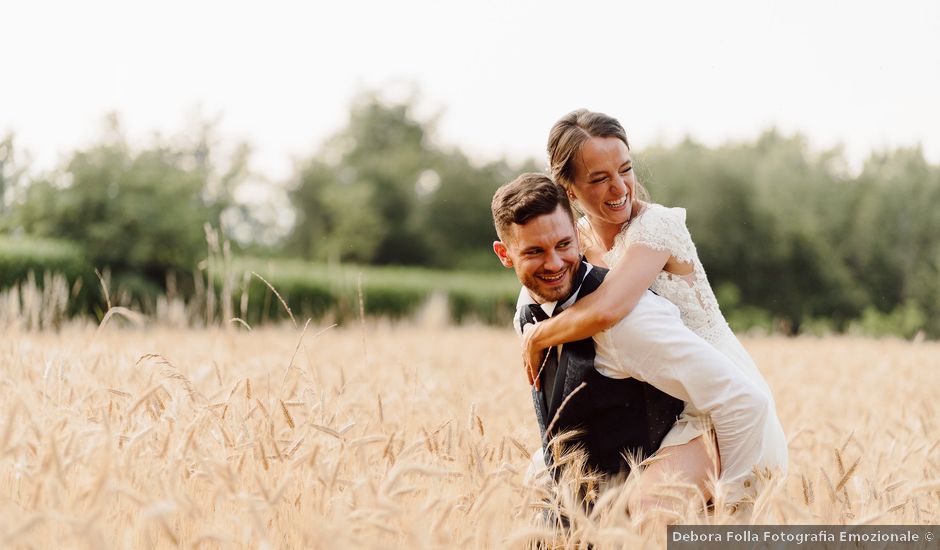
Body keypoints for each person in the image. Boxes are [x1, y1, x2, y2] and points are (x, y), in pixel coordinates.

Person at [523, 109, 788, 495]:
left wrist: (536, 338)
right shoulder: (573, 240)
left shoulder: (655, 227)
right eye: (599, 178)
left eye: (625, 169)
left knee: (656, 509)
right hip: (649, 404)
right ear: (568, 188)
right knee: (543, 486)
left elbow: (607, 308)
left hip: (710, 399)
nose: (620, 187)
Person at [491, 173, 773, 511]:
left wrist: (731, 515)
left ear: (579, 238)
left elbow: (745, 402)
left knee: (648, 510)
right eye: (535, 252)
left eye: (564, 245)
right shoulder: (528, 309)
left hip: (694, 435)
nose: (553, 263)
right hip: (612, 454)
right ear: (505, 255)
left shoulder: (628, 325)